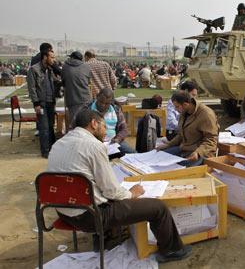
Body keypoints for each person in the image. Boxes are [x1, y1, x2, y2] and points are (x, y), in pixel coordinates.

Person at [47, 109, 191, 263]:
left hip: (63, 212)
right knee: (158, 208)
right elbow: (112, 191)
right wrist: (131, 193)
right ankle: (171, 250)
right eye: (104, 127)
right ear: (94, 124)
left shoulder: (59, 143)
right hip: (89, 217)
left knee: (101, 193)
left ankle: (105, 238)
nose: (105, 133)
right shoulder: (93, 145)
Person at [159, 91, 218, 167]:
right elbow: (181, 134)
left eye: (177, 106)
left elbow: (211, 140)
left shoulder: (206, 114)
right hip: (184, 148)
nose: (175, 109)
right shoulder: (184, 112)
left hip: (201, 152)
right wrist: (168, 145)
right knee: (161, 156)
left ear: (185, 104)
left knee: (177, 168)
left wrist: (198, 153)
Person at [27, 48, 60, 158]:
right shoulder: (33, 70)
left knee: (51, 127)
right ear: (45, 57)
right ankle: (45, 151)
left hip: (51, 102)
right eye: (52, 57)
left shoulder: (50, 69)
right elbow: (32, 88)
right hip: (41, 103)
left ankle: (52, 149)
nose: (53, 60)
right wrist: (36, 103)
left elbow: (56, 81)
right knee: (44, 128)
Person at [89, 88, 135, 154]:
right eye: (101, 102)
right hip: (93, 143)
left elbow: (124, 129)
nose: (103, 105)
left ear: (111, 102)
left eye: (107, 103)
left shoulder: (116, 110)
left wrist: (117, 139)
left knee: (133, 153)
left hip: (113, 143)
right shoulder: (87, 109)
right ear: (97, 97)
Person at [61, 51, 91, 128]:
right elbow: (88, 81)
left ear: (72, 57)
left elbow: (63, 82)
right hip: (85, 99)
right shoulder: (86, 66)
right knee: (85, 124)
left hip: (72, 99)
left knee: (73, 124)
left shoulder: (65, 66)